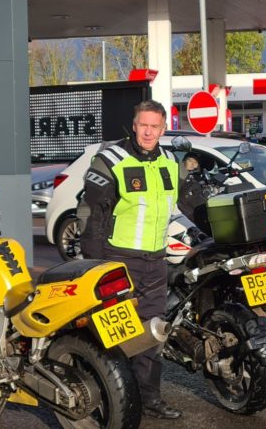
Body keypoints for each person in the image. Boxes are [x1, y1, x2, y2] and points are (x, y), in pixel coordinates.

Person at [81, 100, 183, 419]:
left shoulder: (169, 160)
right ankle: (104, 396)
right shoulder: (111, 159)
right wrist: (96, 264)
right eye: (143, 125)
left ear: (163, 129)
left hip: (155, 261)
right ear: (134, 125)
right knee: (113, 334)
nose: (149, 131)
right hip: (118, 262)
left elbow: (185, 203)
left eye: (155, 126)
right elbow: (90, 213)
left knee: (152, 334)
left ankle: (149, 397)